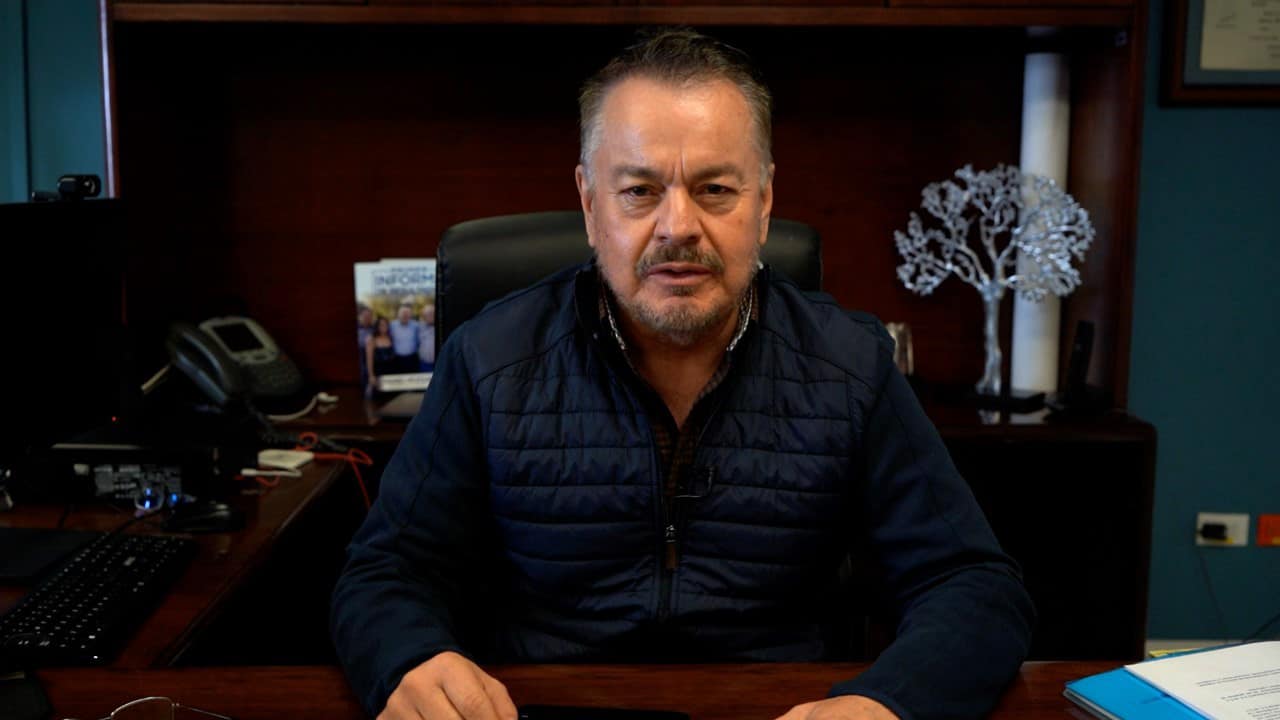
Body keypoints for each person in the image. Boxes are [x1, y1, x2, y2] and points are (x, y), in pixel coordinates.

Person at [332, 28, 1034, 720]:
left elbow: (973, 584)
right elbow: (386, 572)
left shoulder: (850, 364)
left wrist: (886, 704)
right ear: (590, 204)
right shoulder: (490, 358)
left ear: (764, 203)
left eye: (715, 189)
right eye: (640, 190)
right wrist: (409, 656)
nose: (678, 226)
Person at [365, 316, 395, 395]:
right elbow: (369, 359)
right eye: (381, 325)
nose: (384, 327)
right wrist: (371, 375)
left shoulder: (389, 337)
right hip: (379, 372)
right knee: (380, 395)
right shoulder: (371, 339)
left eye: (386, 325)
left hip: (391, 372)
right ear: (377, 326)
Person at [389, 301, 421, 374]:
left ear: (411, 315)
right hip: (397, 359)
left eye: (407, 313)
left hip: (412, 359)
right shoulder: (392, 325)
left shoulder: (416, 325)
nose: (405, 315)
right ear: (398, 314)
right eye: (403, 313)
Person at [417, 303, 436, 372]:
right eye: (426, 314)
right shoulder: (419, 327)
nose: (429, 316)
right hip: (424, 363)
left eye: (431, 313)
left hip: (439, 363)